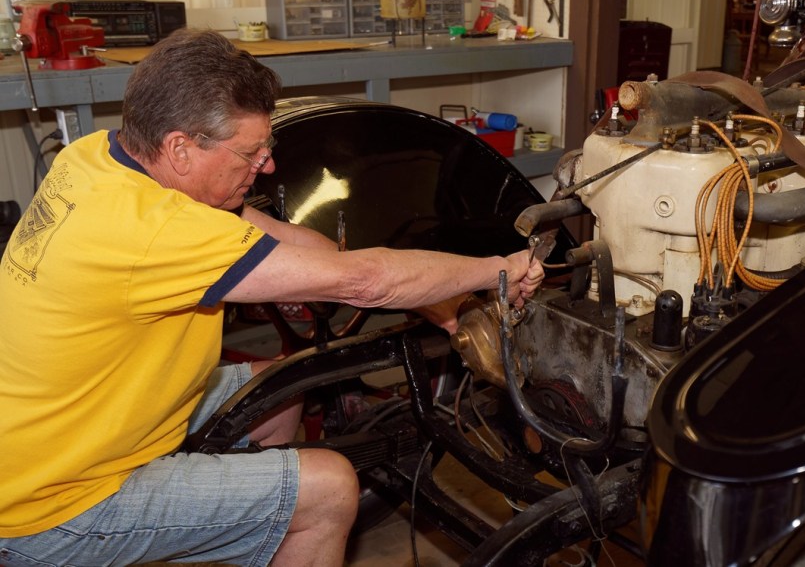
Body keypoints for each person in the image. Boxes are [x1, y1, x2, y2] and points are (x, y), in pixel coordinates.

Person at [0, 28, 543, 566]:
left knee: (280, 387)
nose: (268, 165)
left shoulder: (98, 157)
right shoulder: (155, 230)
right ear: (181, 149)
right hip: (49, 505)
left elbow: (312, 253)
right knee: (329, 487)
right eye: (250, 152)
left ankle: (256, 529)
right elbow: (364, 282)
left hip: (70, 423)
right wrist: (496, 270)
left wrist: (443, 309)